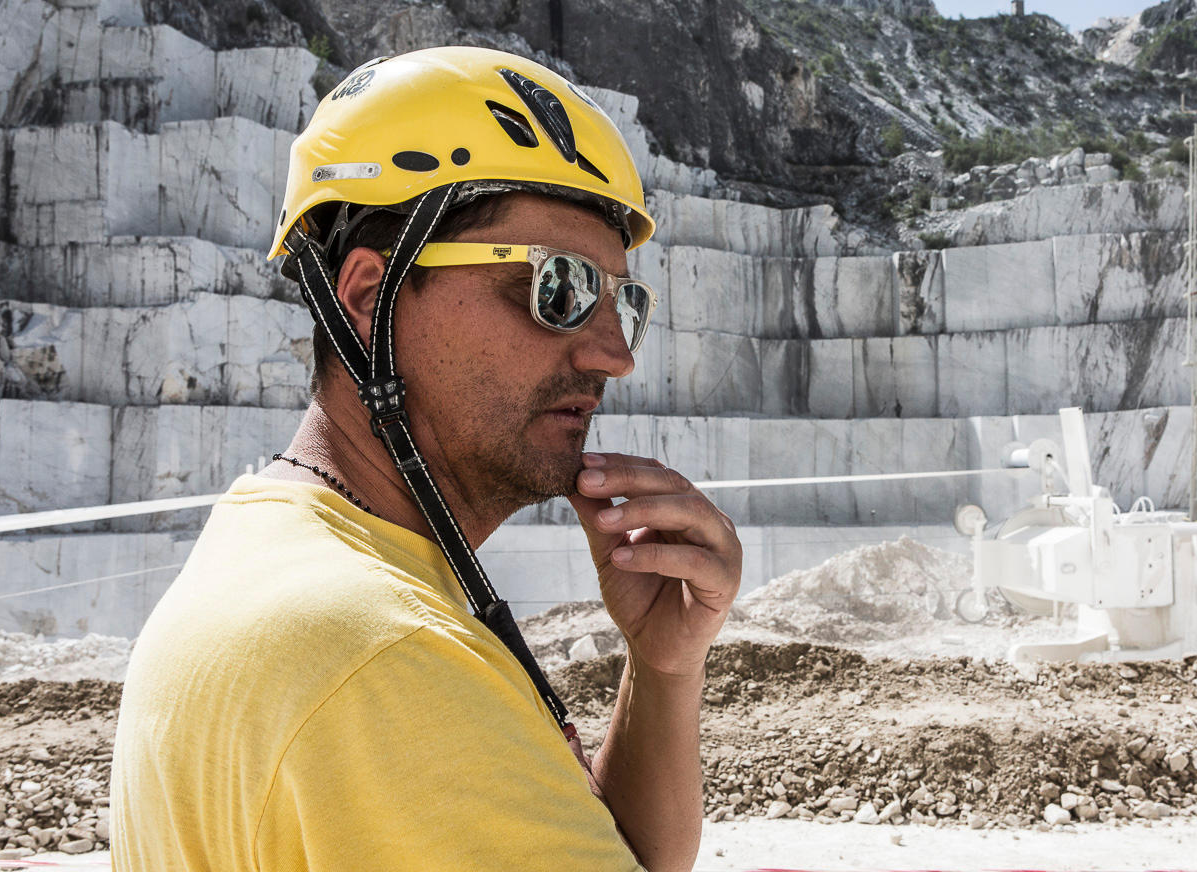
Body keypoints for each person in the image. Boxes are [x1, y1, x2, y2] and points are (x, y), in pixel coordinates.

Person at [109, 47, 742, 872]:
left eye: (620, 300)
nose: (614, 354)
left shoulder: (281, 551)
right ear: (370, 299)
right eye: (560, 288)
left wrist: (661, 672)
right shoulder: (383, 655)